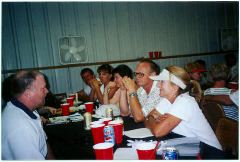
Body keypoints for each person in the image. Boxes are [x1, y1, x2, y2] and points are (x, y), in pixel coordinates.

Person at [145, 66, 223, 159]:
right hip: (190, 146)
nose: (158, 85)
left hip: (209, 153)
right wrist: (152, 119)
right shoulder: (166, 99)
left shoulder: (184, 101)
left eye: (162, 81)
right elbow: (147, 122)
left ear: (175, 87)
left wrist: (152, 118)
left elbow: (157, 132)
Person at [2, 70, 54, 160]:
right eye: (43, 88)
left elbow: (44, 144)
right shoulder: (21, 129)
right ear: (28, 94)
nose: (47, 91)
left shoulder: (28, 109)